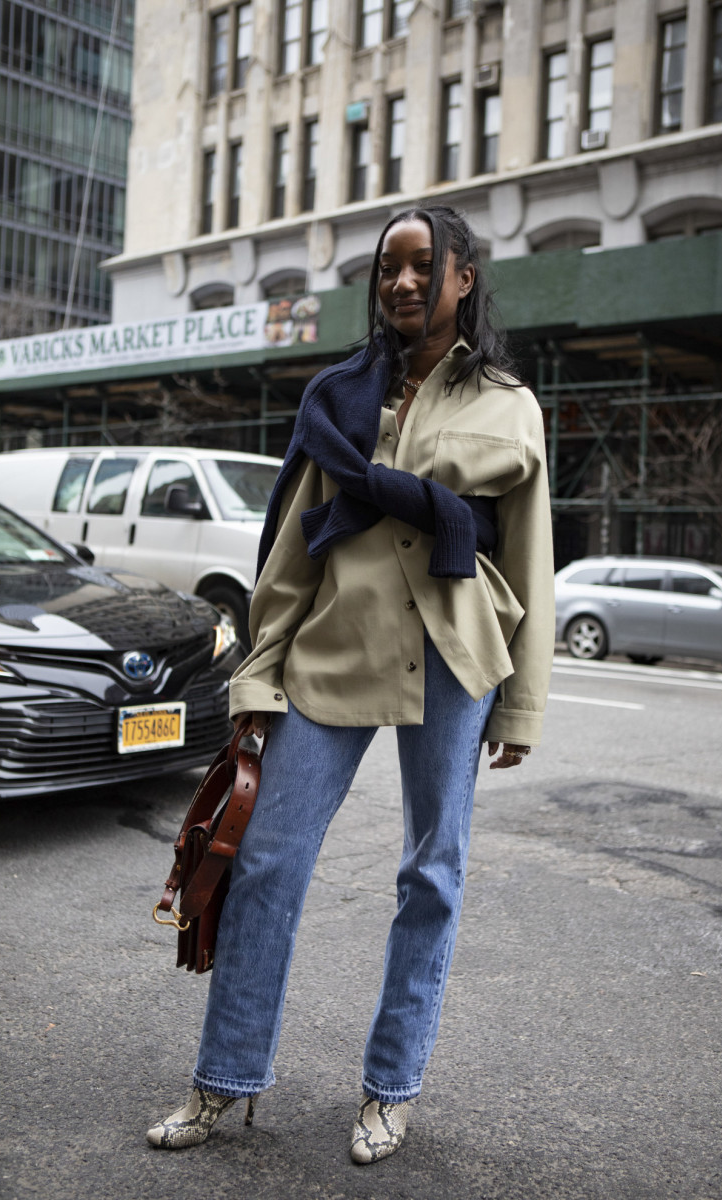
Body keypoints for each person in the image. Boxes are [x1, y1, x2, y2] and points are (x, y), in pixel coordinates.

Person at [146, 204, 555, 1164]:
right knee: (268, 863)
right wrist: (257, 677)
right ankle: (224, 1080)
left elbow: (531, 561)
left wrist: (524, 701)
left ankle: (390, 1089)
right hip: (334, 647)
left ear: (462, 278)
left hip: (455, 653)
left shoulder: (510, 403)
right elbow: (293, 551)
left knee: (431, 875)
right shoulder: (337, 397)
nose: (404, 282)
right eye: (388, 270)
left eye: (424, 265)